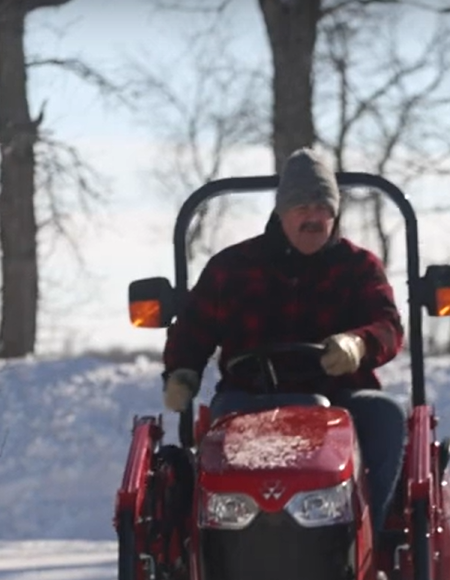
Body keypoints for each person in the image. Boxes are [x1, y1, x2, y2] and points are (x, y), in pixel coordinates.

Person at [161, 147, 409, 532]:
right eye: (300, 207)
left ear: (335, 212)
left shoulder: (358, 267)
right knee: (211, 446)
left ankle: (366, 544)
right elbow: (193, 327)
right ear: (280, 212)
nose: (312, 216)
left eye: (321, 207)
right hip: (249, 400)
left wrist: (358, 345)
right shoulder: (233, 268)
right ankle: (218, 551)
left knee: (385, 415)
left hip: (338, 398)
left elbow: (388, 326)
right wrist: (182, 372)